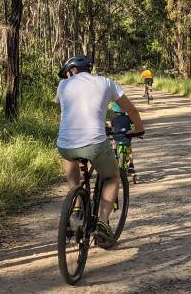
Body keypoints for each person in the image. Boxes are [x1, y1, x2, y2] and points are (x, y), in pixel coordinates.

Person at [55, 55, 145, 249]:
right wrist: (138, 129)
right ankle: (102, 224)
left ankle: (77, 205)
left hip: (65, 144)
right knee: (112, 177)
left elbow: (71, 110)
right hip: (95, 143)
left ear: (73, 71)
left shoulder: (63, 86)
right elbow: (131, 111)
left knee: (72, 161)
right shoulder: (106, 82)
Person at [109, 103, 137, 181]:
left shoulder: (114, 120)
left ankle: (115, 154)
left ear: (115, 111)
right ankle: (131, 165)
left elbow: (112, 128)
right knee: (129, 151)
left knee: (113, 142)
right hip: (127, 138)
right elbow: (133, 125)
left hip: (117, 138)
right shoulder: (128, 118)